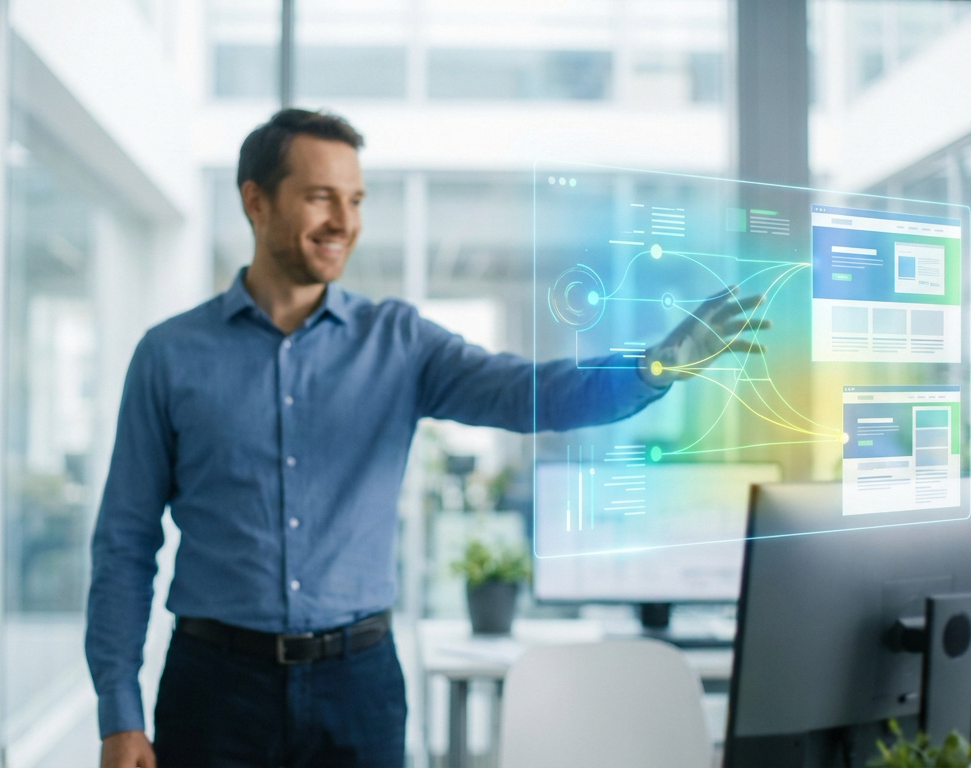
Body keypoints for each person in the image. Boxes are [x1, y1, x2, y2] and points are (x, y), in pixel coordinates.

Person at [88, 108, 768, 768]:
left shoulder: (400, 342)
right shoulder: (169, 356)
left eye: (355, 200)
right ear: (255, 201)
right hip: (215, 690)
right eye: (321, 197)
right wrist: (120, 713)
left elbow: (525, 392)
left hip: (356, 688)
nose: (344, 222)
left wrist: (652, 367)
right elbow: (124, 541)